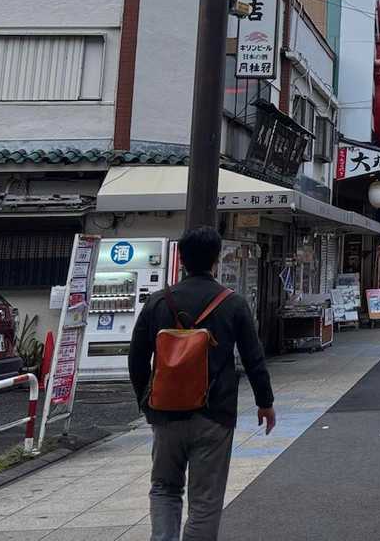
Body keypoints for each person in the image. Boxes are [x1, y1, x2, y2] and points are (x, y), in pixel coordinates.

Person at [129, 226, 275, 541]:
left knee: (164, 486)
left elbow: (136, 358)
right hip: (215, 412)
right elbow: (254, 358)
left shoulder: (158, 302)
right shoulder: (232, 303)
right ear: (216, 259)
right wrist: (265, 403)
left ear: (181, 259)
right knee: (205, 499)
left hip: (165, 412)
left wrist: (146, 400)